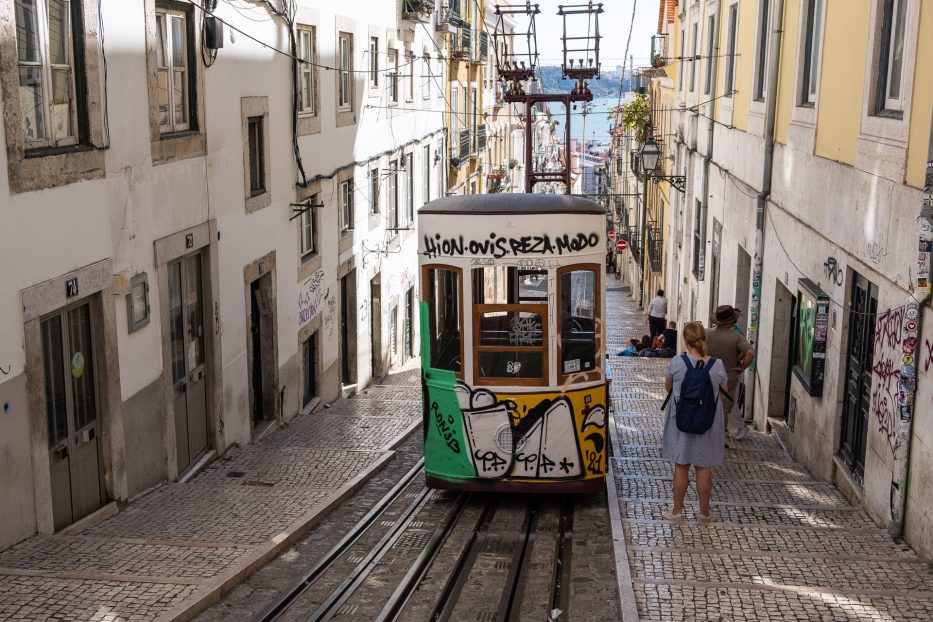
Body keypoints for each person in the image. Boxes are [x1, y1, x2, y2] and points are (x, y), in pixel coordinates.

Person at [661, 322, 729, 522]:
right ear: (703, 339)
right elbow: (723, 391)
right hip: (707, 422)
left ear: (685, 340)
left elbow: (668, 388)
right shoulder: (717, 365)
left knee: (681, 465)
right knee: (704, 466)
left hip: (680, 420)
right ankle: (704, 513)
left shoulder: (676, 362)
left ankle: (677, 511)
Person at [706, 305, 757, 440]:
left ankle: (705, 435)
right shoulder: (736, 337)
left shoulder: (705, 333)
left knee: (705, 404)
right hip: (728, 378)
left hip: (706, 375)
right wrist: (742, 367)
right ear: (730, 322)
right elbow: (751, 353)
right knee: (724, 409)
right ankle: (720, 438)